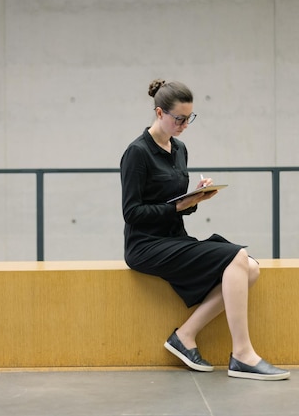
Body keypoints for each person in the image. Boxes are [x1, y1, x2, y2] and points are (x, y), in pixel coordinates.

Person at [120, 79, 289, 381]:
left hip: (174, 238)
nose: (185, 124)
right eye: (179, 119)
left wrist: (195, 197)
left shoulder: (179, 148)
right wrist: (177, 207)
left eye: (189, 118)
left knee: (250, 268)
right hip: (145, 245)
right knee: (238, 256)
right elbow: (132, 213)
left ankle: (185, 336)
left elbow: (175, 202)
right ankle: (242, 355)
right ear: (159, 113)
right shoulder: (137, 152)